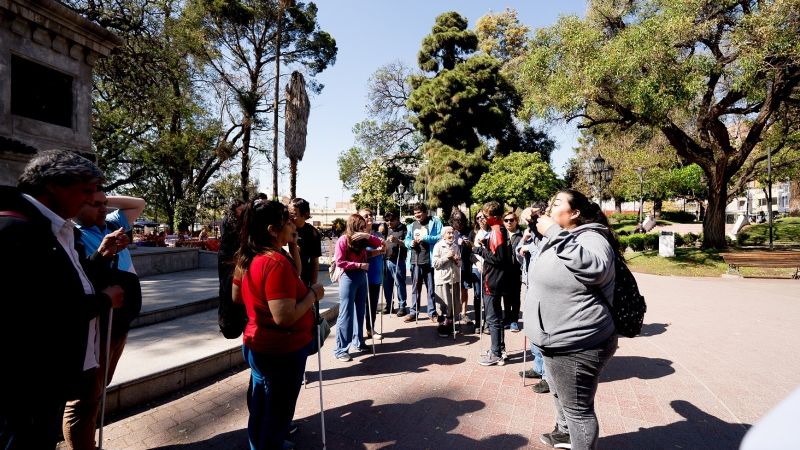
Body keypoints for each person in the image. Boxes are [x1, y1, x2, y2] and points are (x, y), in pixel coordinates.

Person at [0, 150, 126, 449]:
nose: (90, 199)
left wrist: (99, 257)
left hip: (50, 382)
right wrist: (105, 301)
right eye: (86, 190)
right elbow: (39, 314)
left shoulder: (53, 228)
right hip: (26, 388)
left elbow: (64, 287)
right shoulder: (15, 231)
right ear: (54, 185)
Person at [523, 189, 618, 450]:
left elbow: (595, 268)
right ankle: (565, 434)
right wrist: (536, 225)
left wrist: (554, 232)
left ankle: (575, 437)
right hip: (556, 339)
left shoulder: (591, 237)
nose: (549, 208)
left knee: (578, 410)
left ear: (574, 213)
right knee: (560, 394)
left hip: (578, 343)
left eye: (556, 204)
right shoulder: (566, 236)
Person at [234, 198, 325, 450]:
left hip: (260, 344)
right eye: (287, 221)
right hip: (280, 350)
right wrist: (312, 295)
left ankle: (266, 442)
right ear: (272, 230)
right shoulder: (273, 262)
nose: (292, 225)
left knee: (262, 406)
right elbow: (284, 316)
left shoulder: (248, 255)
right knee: (276, 409)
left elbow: (236, 295)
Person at [63, 191, 146, 449]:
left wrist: (99, 196)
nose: (102, 209)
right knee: (84, 397)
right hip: (96, 322)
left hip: (119, 320)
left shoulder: (112, 223)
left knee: (100, 386)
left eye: (104, 204)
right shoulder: (73, 234)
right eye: (94, 204)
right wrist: (101, 254)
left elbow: (138, 204)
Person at [332, 214, 383, 362]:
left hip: (361, 277)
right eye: (360, 227)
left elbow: (382, 244)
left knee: (360, 312)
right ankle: (341, 349)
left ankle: (358, 341)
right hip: (348, 278)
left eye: (363, 226)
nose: (363, 229)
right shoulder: (343, 240)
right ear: (353, 225)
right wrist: (359, 265)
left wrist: (366, 235)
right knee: (346, 313)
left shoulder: (362, 239)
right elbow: (340, 262)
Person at [472, 201, 513, 366]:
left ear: (494, 217)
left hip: (492, 279)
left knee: (492, 317)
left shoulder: (496, 231)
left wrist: (480, 249)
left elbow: (497, 259)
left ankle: (495, 352)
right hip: (499, 278)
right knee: (496, 316)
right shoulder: (501, 229)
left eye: (486, 216)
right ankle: (499, 348)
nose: (484, 218)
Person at [517, 202, 551, 395]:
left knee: (543, 331)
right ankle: (538, 367)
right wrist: (525, 242)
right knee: (531, 327)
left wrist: (530, 248)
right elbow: (518, 252)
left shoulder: (551, 234)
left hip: (543, 288)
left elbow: (544, 253)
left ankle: (548, 375)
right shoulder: (533, 234)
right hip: (529, 284)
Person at [403, 202, 442, 323]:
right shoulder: (411, 225)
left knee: (431, 288)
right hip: (415, 261)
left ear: (425, 212)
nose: (417, 215)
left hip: (429, 261)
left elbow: (440, 237)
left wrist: (426, 238)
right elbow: (406, 240)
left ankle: (432, 312)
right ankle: (413, 312)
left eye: (419, 212)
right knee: (415, 288)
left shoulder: (435, 222)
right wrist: (410, 243)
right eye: (415, 213)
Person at [359, 208, 385, 340]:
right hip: (361, 275)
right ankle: (357, 334)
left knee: (373, 305)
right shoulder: (358, 236)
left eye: (371, 215)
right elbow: (361, 255)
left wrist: (385, 248)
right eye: (366, 215)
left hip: (375, 274)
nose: (369, 217)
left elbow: (386, 250)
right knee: (360, 306)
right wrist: (378, 252)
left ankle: (370, 329)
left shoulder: (378, 236)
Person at [432, 226, 461, 337]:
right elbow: (435, 264)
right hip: (443, 279)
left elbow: (460, 263)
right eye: (448, 233)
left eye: (452, 233)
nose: (451, 235)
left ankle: (450, 324)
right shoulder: (438, 246)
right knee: (443, 304)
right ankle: (442, 327)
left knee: (453, 304)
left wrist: (457, 260)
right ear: (443, 235)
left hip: (454, 279)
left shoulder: (455, 246)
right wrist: (446, 257)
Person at [289, 198, 322, 287]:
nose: (290, 218)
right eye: (289, 214)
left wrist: (313, 286)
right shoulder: (283, 228)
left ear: (305, 215)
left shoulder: (312, 233)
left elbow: (314, 262)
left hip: (303, 279)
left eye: (294, 214)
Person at [381, 211, 407, 315]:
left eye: (391, 220)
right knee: (387, 285)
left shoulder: (404, 228)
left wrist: (398, 241)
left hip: (398, 260)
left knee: (399, 284)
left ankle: (402, 306)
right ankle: (388, 305)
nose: (389, 223)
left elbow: (408, 243)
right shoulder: (386, 228)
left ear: (397, 219)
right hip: (385, 259)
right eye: (387, 221)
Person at [449, 210, 472, 324]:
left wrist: (467, 243)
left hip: (465, 264)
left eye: (461, 221)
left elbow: (473, 244)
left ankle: (463, 312)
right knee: (453, 289)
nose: (459, 224)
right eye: (457, 221)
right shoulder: (450, 231)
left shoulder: (468, 231)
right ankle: (452, 312)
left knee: (464, 289)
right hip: (453, 265)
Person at [467, 211, 489, 332]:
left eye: (483, 217)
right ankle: (477, 322)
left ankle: (487, 322)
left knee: (488, 296)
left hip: (490, 268)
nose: (481, 219)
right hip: (477, 268)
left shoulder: (492, 232)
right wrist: (477, 262)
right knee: (477, 296)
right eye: (478, 217)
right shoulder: (473, 233)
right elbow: (470, 253)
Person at [502, 211, 523, 332]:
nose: (509, 222)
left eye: (511, 220)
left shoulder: (521, 235)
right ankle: (507, 318)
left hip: (516, 271)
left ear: (516, 221)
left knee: (515, 296)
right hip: (503, 271)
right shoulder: (501, 235)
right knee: (505, 296)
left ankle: (514, 320)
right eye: (506, 220)